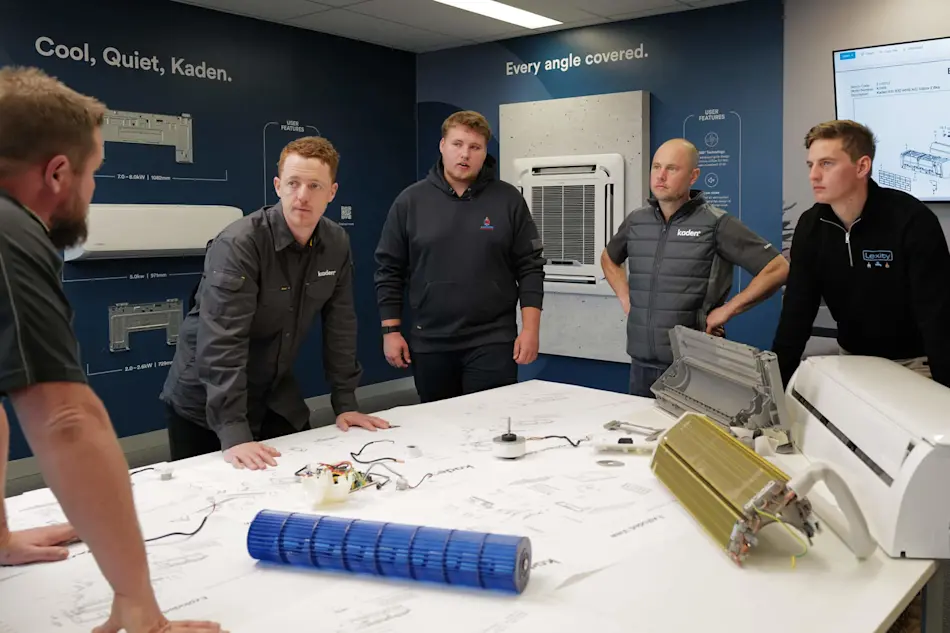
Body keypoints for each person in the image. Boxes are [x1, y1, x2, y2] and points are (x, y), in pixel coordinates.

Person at [0, 67, 223, 632]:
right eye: (93, 172)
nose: (93, 190)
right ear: (57, 173)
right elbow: (66, 420)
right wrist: (136, 602)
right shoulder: (9, 233)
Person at [160, 136, 389, 470]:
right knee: (217, 493)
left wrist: (346, 404)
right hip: (206, 400)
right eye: (293, 183)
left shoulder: (336, 242)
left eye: (314, 186)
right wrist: (234, 432)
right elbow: (222, 340)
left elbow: (340, 325)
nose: (302, 196)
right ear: (278, 186)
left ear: (332, 192)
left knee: (303, 475)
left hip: (272, 392)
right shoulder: (240, 244)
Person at [374, 110, 545, 403]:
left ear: (485, 152)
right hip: (430, 341)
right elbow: (389, 269)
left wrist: (531, 330)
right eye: (457, 144)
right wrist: (391, 331)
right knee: (439, 425)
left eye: (475, 147)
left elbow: (530, 267)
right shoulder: (410, 201)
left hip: (493, 340)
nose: (465, 154)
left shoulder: (509, 200)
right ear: (442, 145)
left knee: (489, 421)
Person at [601, 138, 789, 397]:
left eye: (672, 168)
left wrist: (726, 311)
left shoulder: (716, 223)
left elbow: (777, 268)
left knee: (687, 426)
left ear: (693, 176)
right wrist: (626, 298)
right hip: (641, 364)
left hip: (692, 364)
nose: (661, 176)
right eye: (656, 167)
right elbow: (609, 258)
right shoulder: (637, 221)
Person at [772, 119, 950, 389]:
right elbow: (797, 310)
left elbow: (938, 316)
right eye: (811, 165)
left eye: (826, 164)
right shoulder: (811, 226)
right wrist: (776, 387)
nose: (814, 175)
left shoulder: (911, 220)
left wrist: (944, 391)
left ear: (862, 166)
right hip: (852, 359)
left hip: (914, 362)